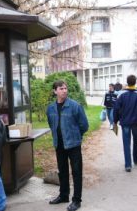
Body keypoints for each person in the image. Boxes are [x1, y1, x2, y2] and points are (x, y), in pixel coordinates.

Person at [46, 80, 89, 211]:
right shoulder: (50, 108)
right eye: (61, 88)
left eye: (65, 88)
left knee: (76, 172)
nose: (64, 90)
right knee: (62, 171)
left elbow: (84, 125)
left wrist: (76, 136)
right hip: (59, 145)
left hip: (73, 144)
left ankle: (76, 200)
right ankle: (64, 195)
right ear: (55, 91)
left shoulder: (75, 106)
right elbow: (51, 124)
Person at [113, 75, 137, 172]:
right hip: (136, 123)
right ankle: (136, 159)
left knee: (126, 143)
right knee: (136, 141)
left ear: (127, 83)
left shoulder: (121, 95)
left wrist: (115, 121)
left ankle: (128, 165)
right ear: (135, 82)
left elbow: (116, 109)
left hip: (125, 123)